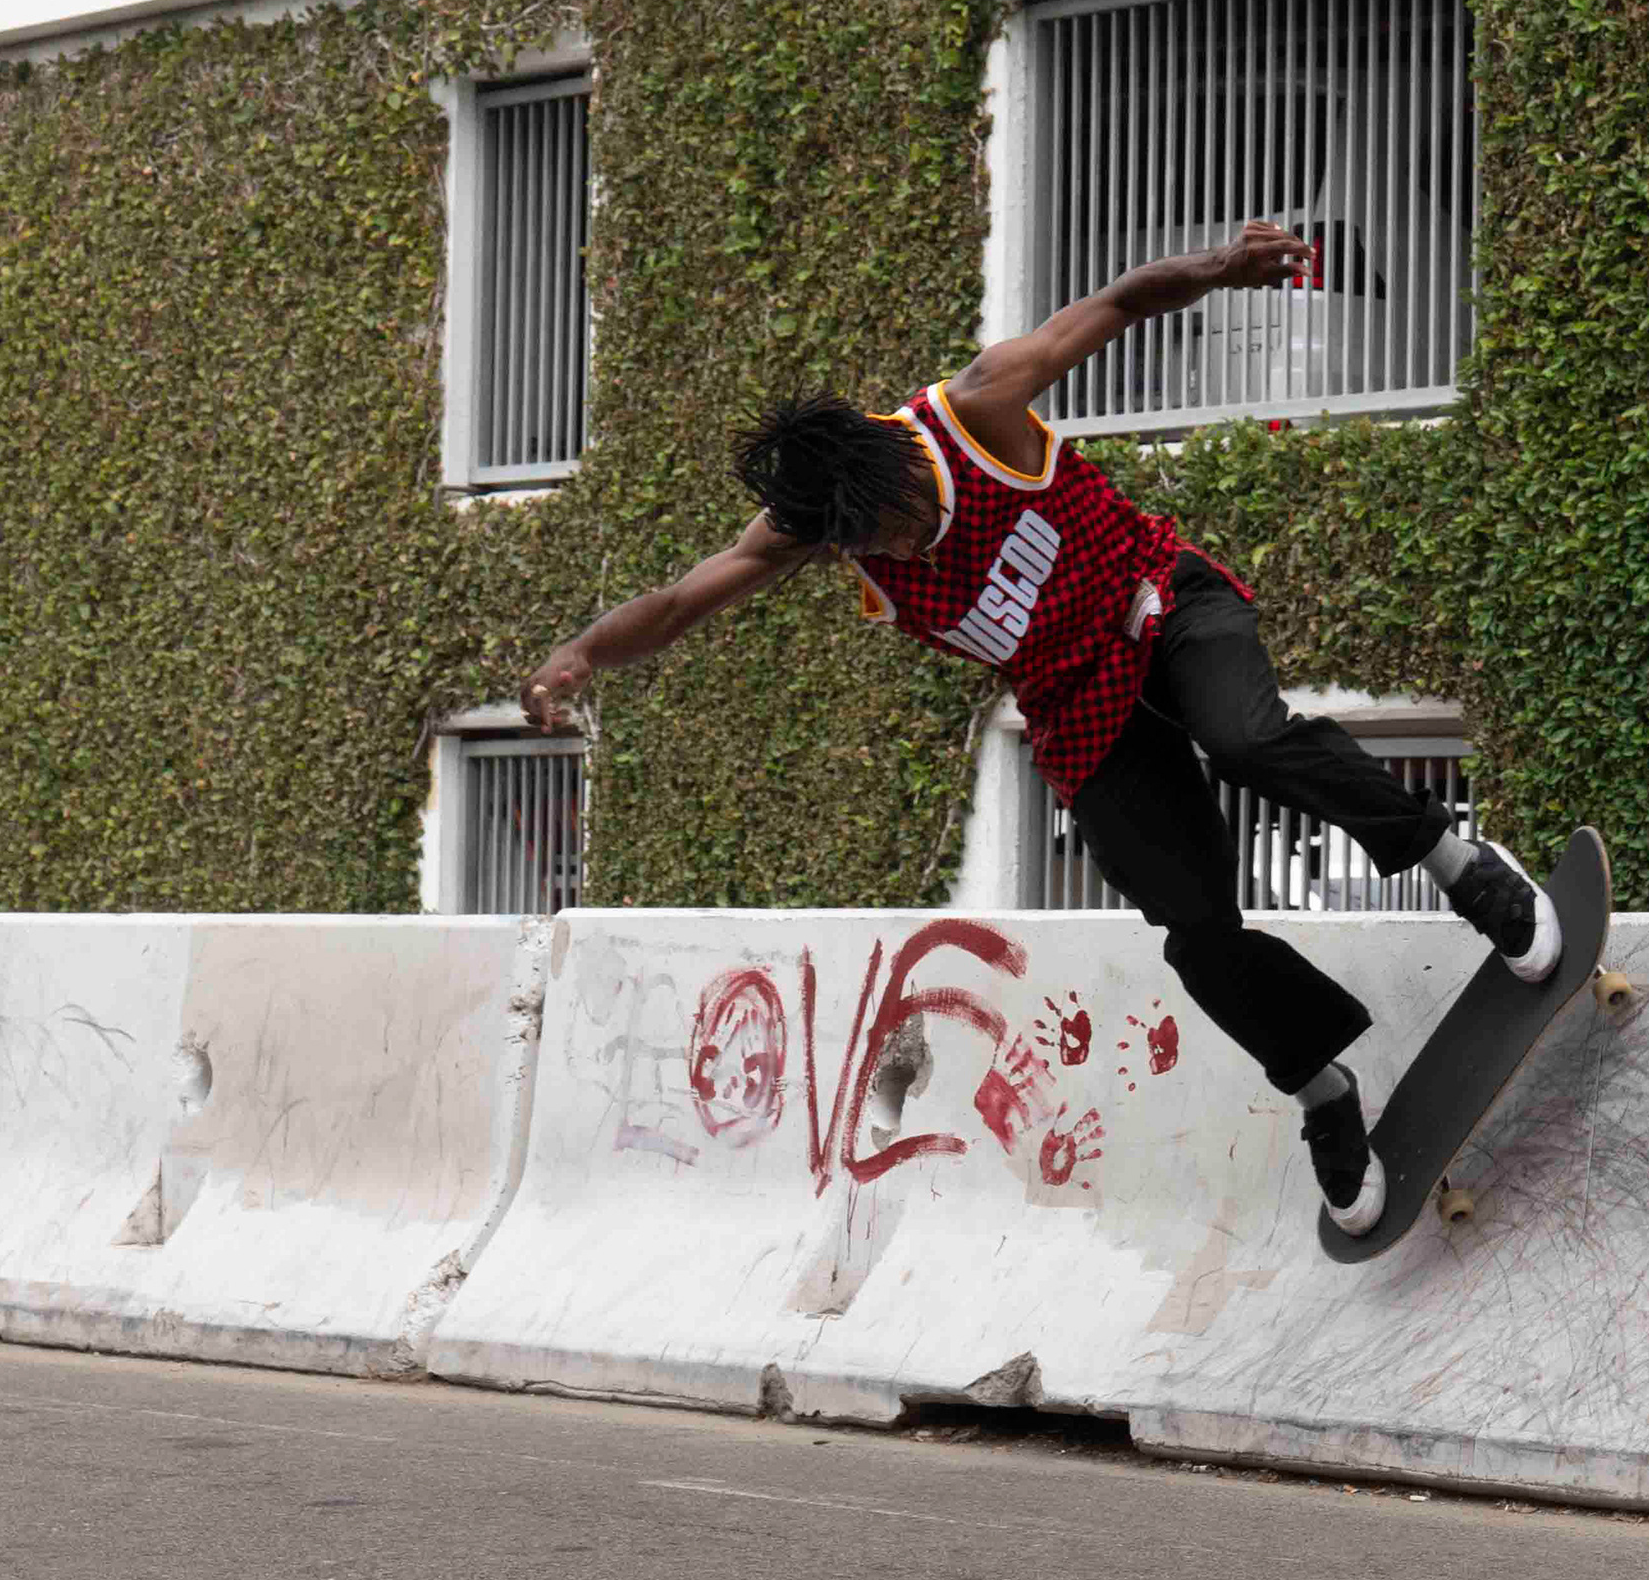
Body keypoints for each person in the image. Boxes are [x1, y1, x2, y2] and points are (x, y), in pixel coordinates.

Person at [520, 218, 1557, 1229]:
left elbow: (1117, 302)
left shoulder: (978, 406)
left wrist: (1224, 266)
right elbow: (679, 602)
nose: (898, 552)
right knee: (1195, 932)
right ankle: (1322, 1087)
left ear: (898, 464)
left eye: (897, 526)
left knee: (1246, 737)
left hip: (1154, 600)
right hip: (1073, 703)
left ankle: (1460, 865)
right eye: (866, 548)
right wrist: (582, 651)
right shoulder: (821, 528)